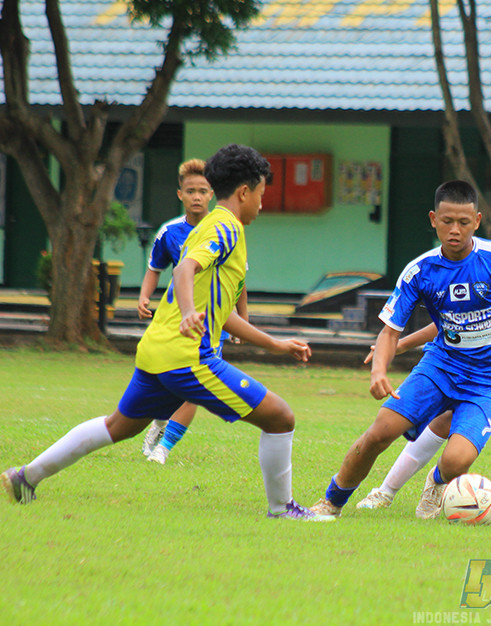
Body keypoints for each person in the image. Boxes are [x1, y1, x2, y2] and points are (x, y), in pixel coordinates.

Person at [1, 144, 326, 521]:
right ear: (243, 192)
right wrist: (189, 314)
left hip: (157, 351)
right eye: (261, 195)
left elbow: (217, 311)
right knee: (281, 418)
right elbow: (185, 270)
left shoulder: (205, 225)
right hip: (188, 357)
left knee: (117, 426)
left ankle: (25, 476)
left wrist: (275, 344)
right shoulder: (227, 227)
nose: (262, 204)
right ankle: (282, 510)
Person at [309, 181, 491, 519]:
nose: (455, 230)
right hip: (439, 367)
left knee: (456, 461)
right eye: (447, 221)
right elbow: (391, 330)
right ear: (433, 219)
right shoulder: (419, 271)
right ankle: (330, 502)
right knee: (379, 434)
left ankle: (437, 483)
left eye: (464, 222)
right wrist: (379, 370)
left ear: (477, 220)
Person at [137, 159, 249, 465]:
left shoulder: (227, 229)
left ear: (212, 194)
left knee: (193, 388)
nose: (197, 197)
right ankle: (159, 423)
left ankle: (163, 449)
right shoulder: (170, 232)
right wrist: (145, 297)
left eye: (202, 191)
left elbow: (239, 281)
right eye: (191, 191)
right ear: (180, 194)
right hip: (177, 320)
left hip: (212, 325)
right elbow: (155, 268)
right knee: (167, 383)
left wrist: (243, 321)